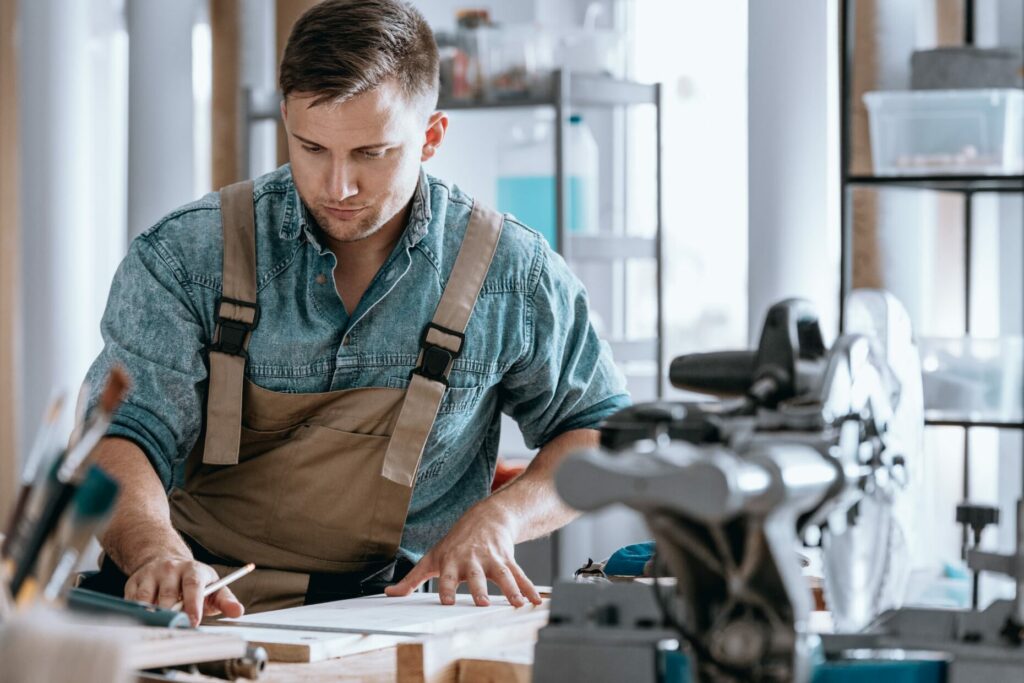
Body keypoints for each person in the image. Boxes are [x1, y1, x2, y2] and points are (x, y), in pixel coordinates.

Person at [81, 0, 629, 627]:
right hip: (198, 609)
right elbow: (120, 437)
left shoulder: (510, 272)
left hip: (389, 615)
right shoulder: (188, 256)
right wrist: (154, 551)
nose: (337, 185)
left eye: (371, 153)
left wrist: (502, 518)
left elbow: (600, 429)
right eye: (312, 147)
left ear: (431, 136)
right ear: (286, 116)